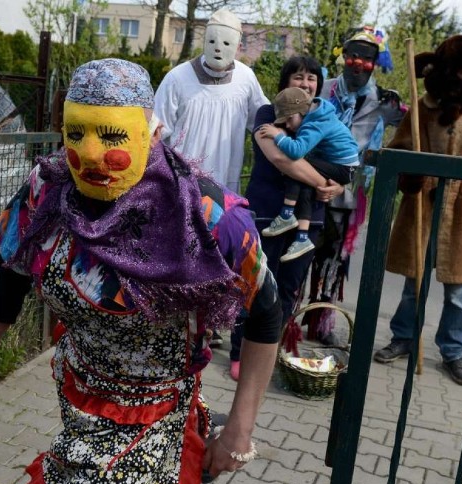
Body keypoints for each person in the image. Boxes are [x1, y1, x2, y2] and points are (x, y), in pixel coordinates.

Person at [0, 58, 281, 484]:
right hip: (79, 405)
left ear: (152, 131)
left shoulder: (209, 216)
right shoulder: (47, 193)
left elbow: (266, 314)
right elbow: (8, 281)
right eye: (77, 133)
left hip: (151, 423)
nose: (92, 154)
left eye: (113, 135)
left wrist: (239, 432)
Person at [372, 35, 462, 387]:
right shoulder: (423, 107)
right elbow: (399, 149)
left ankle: (453, 351)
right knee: (412, 282)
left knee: (456, 291)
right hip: (422, 203)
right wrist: (409, 175)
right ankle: (404, 337)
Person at [227, 56, 344, 381]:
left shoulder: (323, 118)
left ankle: (269, 352)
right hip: (268, 214)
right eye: (298, 77)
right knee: (257, 284)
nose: (305, 83)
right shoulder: (268, 114)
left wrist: (338, 184)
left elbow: (340, 158)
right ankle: (240, 352)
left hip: (310, 220)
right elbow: (282, 159)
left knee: (290, 289)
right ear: (285, 81)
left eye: (311, 78)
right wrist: (323, 182)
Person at [306, 27, 406, 345]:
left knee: (335, 258)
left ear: (376, 62)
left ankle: (322, 322)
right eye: (352, 55)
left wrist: (406, 111)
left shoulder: (386, 102)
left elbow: (417, 124)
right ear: (343, 56)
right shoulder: (323, 88)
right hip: (312, 182)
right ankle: (287, 318)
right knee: (302, 251)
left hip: (352, 192)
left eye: (366, 58)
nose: (357, 63)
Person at [153, 8, 268, 192]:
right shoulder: (178, 78)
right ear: (204, 41)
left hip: (226, 183)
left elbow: (263, 122)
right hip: (182, 184)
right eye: (212, 41)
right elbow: (155, 131)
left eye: (225, 43)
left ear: (238, 46)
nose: (217, 48)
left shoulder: (246, 78)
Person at [258, 87, 359, 263]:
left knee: (298, 166)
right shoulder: (316, 115)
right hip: (343, 166)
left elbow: (297, 151)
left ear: (300, 111)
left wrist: (278, 136)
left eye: (289, 119)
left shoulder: (315, 123)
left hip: (343, 167)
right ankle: (302, 238)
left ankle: (287, 214)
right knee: (305, 183)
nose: (288, 125)